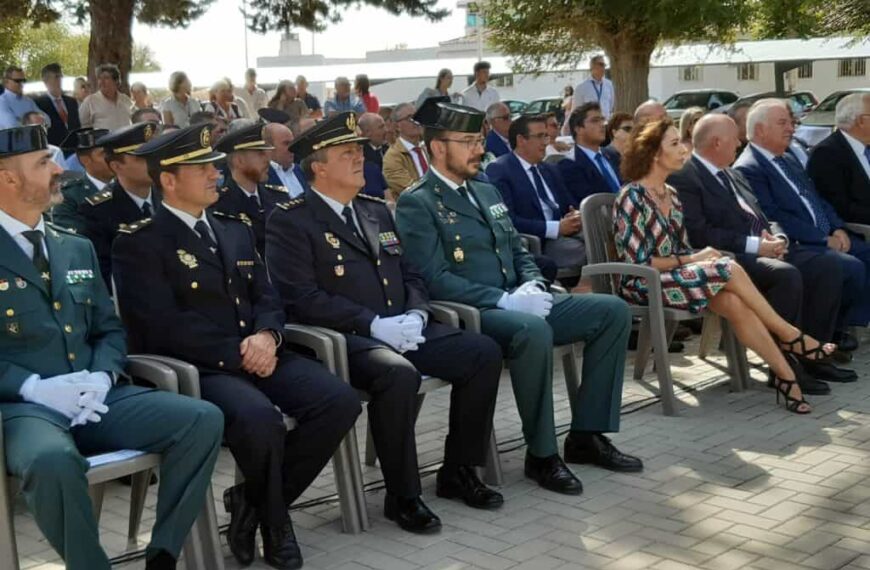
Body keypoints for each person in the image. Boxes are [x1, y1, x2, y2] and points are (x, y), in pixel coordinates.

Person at [112, 123, 360, 570]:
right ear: (168, 180)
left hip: (259, 351)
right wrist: (240, 352)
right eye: (202, 168)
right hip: (201, 369)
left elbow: (266, 295)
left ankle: (252, 503)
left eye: (213, 165)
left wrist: (268, 336)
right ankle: (277, 524)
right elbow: (160, 325)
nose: (215, 174)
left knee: (338, 401)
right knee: (259, 419)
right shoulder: (140, 241)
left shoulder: (234, 227)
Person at [265, 111, 503, 533]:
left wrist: (415, 311)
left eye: (359, 151)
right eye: (347, 153)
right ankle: (403, 495)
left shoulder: (375, 210)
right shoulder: (291, 219)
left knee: (482, 353)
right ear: (318, 167)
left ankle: (459, 469)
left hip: (402, 327)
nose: (360, 159)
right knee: (398, 376)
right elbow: (300, 298)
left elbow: (410, 273)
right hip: (346, 340)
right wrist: (373, 324)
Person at [0, 123, 224, 570]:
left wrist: (103, 377)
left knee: (201, 420)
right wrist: (33, 389)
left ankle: (162, 554)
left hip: (97, 399)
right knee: (51, 460)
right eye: (43, 163)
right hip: (24, 408)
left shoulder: (73, 247)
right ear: (8, 178)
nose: (59, 171)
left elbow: (109, 330)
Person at [396, 100, 642, 496]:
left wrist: (534, 285)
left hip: (521, 299)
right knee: (532, 331)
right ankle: (542, 455)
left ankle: (586, 435)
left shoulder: (485, 189)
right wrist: (506, 300)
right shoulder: (418, 201)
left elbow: (518, 250)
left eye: (478, 140)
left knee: (611, 311)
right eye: (468, 142)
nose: (479, 150)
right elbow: (434, 279)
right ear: (438, 148)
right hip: (476, 313)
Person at [615, 117, 835, 415]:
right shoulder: (631, 197)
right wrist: (692, 259)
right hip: (644, 283)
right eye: (675, 143)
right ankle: (790, 335)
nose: (684, 149)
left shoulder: (672, 195)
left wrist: (697, 257)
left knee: (732, 300)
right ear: (654, 153)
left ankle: (786, 376)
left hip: (676, 277)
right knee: (728, 266)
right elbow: (637, 261)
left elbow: (681, 248)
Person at [669, 114, 852, 389]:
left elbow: (763, 214)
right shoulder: (686, 177)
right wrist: (756, 246)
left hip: (763, 248)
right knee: (786, 275)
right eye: (735, 139)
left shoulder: (733, 173)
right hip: (728, 257)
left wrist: (776, 236)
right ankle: (784, 368)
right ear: (717, 142)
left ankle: (813, 358)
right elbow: (699, 233)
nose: (740, 142)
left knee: (829, 266)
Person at [735, 98, 870, 342]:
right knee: (848, 266)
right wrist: (822, 239)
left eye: (791, 122)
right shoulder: (749, 168)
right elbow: (773, 215)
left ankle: (840, 326)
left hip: (826, 235)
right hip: (798, 242)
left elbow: (817, 198)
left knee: (864, 255)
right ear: (761, 130)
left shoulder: (787, 159)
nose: (792, 128)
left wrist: (838, 228)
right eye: (783, 123)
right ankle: (825, 337)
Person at [487, 114, 586, 272]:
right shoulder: (501, 170)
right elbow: (508, 220)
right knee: (593, 247)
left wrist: (574, 215)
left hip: (567, 233)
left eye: (546, 136)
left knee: (606, 238)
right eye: (540, 136)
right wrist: (556, 228)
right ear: (521, 140)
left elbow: (569, 204)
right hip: (538, 242)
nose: (545, 143)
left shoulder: (549, 169)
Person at [79, 121, 161, 286]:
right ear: (116, 166)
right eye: (141, 159)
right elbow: (104, 274)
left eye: (154, 155)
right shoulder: (98, 211)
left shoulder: (169, 195)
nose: (153, 164)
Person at [211, 120, 289, 256]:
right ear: (239, 161)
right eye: (260, 154)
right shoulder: (220, 205)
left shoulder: (278, 195)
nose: (268, 160)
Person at [807, 93, 870, 224]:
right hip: (858, 232)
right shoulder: (826, 154)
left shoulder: (865, 146)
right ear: (860, 121)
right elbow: (840, 208)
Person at [558, 103, 623, 204]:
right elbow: (588, 202)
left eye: (602, 119)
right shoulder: (570, 164)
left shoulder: (613, 155)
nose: (603, 124)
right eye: (595, 121)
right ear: (578, 129)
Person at [51, 127, 111, 232]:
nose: (112, 158)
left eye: (113, 152)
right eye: (104, 154)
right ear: (86, 160)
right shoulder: (69, 195)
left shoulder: (129, 184)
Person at [383, 101, 429, 202]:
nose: (416, 121)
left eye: (417, 116)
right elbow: (412, 191)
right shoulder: (392, 157)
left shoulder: (428, 149)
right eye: (409, 118)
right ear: (397, 126)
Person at [261, 110, 308, 198]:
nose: (292, 147)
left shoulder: (301, 171)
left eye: (292, 142)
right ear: (269, 147)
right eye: (286, 143)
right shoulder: (262, 176)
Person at [563, 55, 614, 135]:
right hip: (590, 127)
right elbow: (576, 110)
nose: (603, 67)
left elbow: (610, 106)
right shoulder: (581, 88)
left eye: (604, 65)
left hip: (605, 126)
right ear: (592, 67)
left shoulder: (609, 85)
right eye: (601, 64)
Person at [33, 63, 81, 146]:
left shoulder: (72, 102)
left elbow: (77, 127)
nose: (60, 80)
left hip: (74, 149)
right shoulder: (38, 104)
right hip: (54, 151)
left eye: (61, 76)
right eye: (56, 77)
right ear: (45, 81)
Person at [78, 64, 133, 130]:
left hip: (127, 139)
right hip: (102, 140)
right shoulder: (90, 101)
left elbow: (136, 119)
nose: (101, 82)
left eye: (106, 78)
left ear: (116, 81)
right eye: (99, 78)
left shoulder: (125, 99)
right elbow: (81, 127)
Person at [358, 112, 390, 198]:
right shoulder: (361, 158)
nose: (386, 130)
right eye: (381, 127)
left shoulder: (388, 150)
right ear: (368, 132)